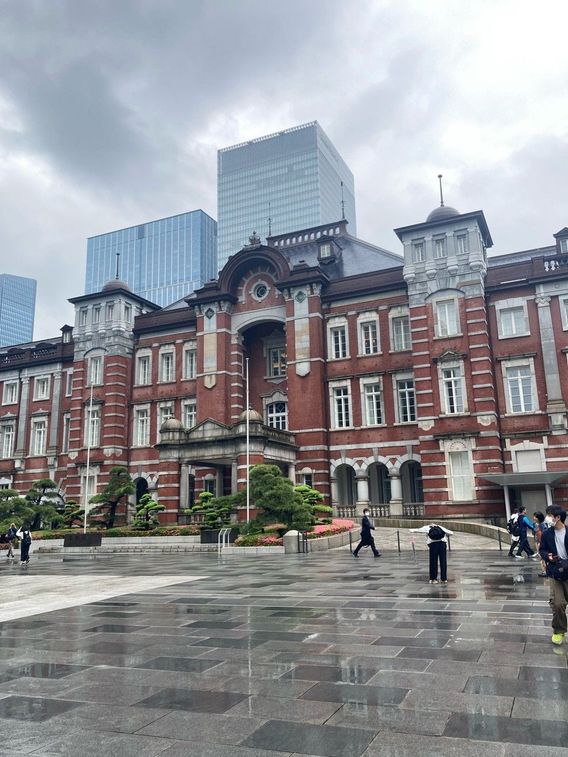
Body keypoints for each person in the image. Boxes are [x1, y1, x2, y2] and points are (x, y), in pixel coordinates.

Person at [539, 505, 568, 645]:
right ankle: (559, 630)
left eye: (550, 515)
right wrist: (547, 556)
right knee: (558, 604)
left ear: (558, 517)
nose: (548, 518)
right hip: (555, 572)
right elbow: (542, 550)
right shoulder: (547, 534)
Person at [533, 511, 547, 577]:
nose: (534, 518)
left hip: (542, 543)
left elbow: (544, 534)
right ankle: (544, 571)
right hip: (539, 542)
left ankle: (545, 572)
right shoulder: (538, 524)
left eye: (535, 517)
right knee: (542, 558)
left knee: (542, 558)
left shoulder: (542, 525)